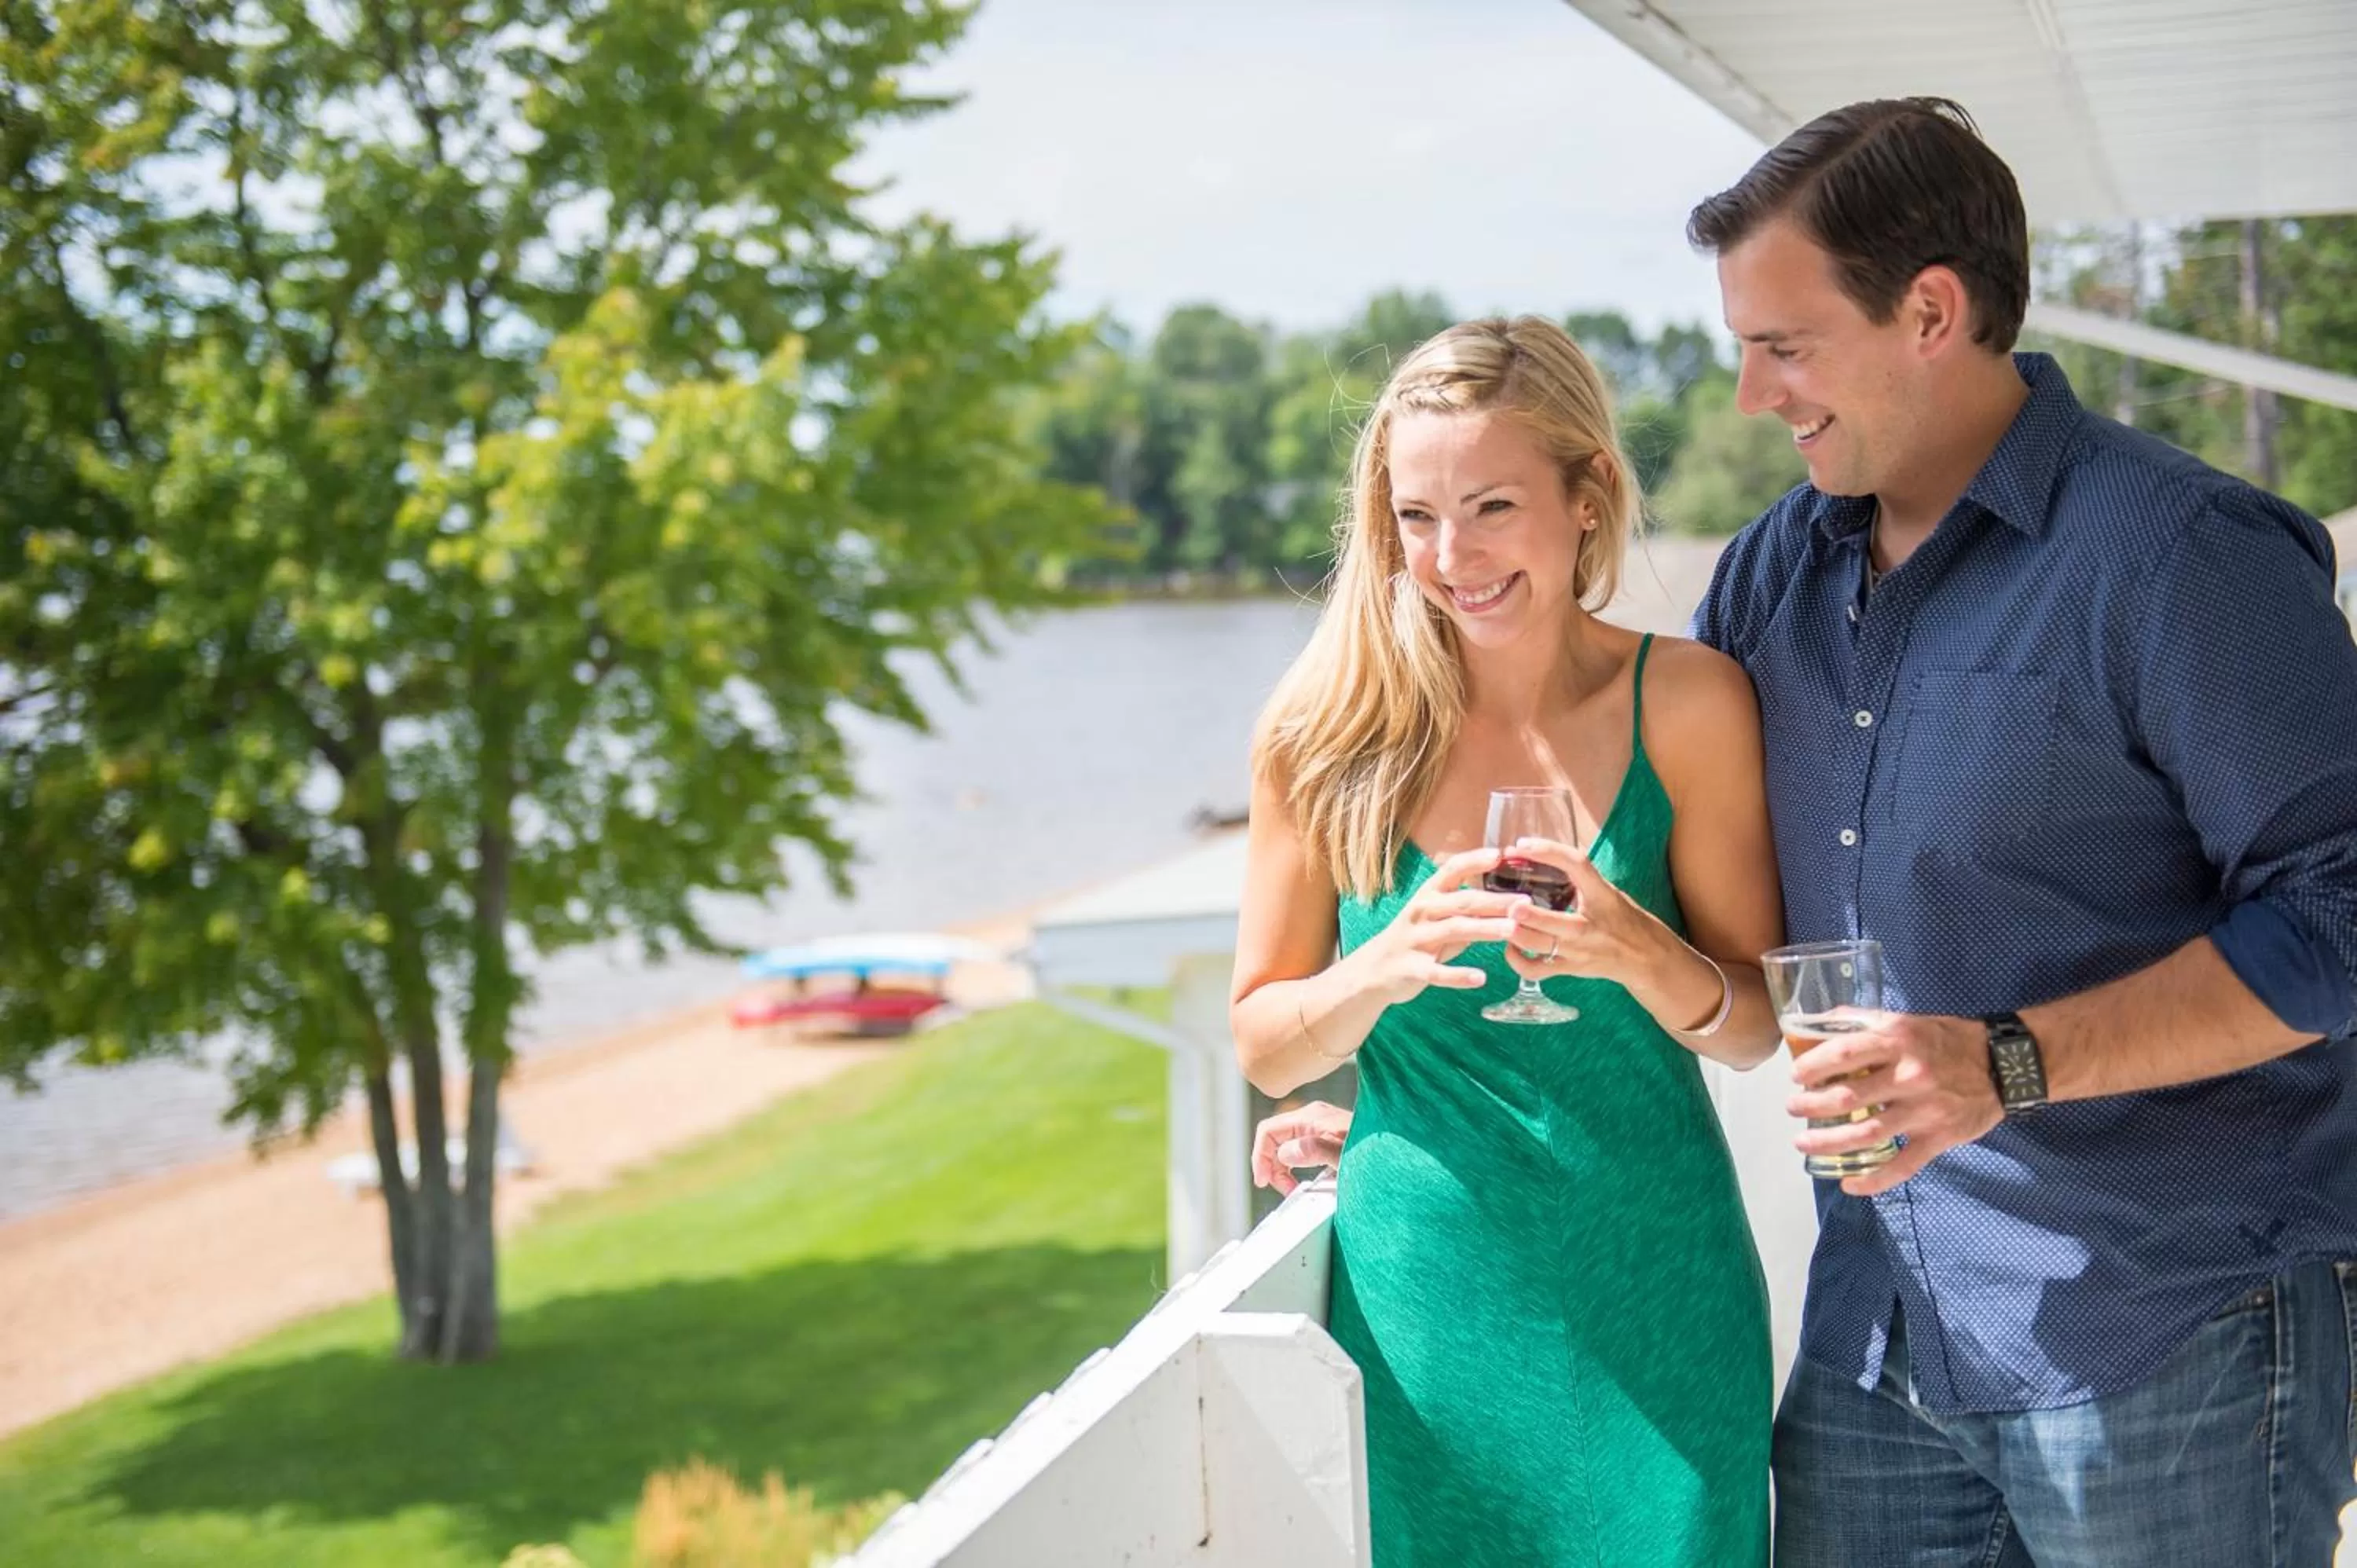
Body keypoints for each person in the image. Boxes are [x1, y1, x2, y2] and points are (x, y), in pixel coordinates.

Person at [1682, 98, 2357, 1566]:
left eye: (1784, 345)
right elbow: (1667, 886)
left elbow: (2345, 908)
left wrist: (2007, 1061)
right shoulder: (1765, 581)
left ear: (1930, 311)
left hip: (2164, 1326)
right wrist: (1416, 1081)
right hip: (1876, 1326)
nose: (1752, 394)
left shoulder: (2181, 558)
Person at [1230, 315, 1786, 1566]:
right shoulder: (1324, 738)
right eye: (1415, 517)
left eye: (1490, 507)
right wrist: (1379, 969)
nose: (1451, 556)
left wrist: (1643, 951)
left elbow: (1755, 1027)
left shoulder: (1688, 704)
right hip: (1428, 1312)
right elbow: (1266, 1042)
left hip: (1659, 1300)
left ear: (1588, 497)